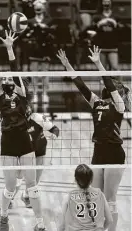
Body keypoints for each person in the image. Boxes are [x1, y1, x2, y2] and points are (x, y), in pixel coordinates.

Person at [0, 31, 47, 231]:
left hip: (25, 141)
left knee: (32, 186)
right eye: (4, 77)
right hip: (7, 143)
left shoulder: (22, 94)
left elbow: (15, 70)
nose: (7, 78)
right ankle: (4, 215)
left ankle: (40, 224)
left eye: (10, 77)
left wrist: (9, 48)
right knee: (10, 187)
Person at [57, 45, 130, 231]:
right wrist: (68, 66)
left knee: (110, 198)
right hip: (99, 152)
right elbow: (80, 85)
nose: (115, 90)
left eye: (117, 89)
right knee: (96, 195)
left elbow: (109, 83)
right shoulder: (96, 102)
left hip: (114, 153)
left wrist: (98, 63)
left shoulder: (120, 105)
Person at [10, 106, 60, 208]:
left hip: (40, 150)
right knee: (19, 176)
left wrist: (55, 135)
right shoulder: (15, 124)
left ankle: (26, 196)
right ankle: (10, 198)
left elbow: (55, 128)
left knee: (35, 179)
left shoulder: (38, 118)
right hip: (26, 151)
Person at [59, 164, 113, 231]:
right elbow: (110, 220)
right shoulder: (100, 194)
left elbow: (61, 225)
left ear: (75, 180)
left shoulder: (68, 197)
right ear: (91, 180)